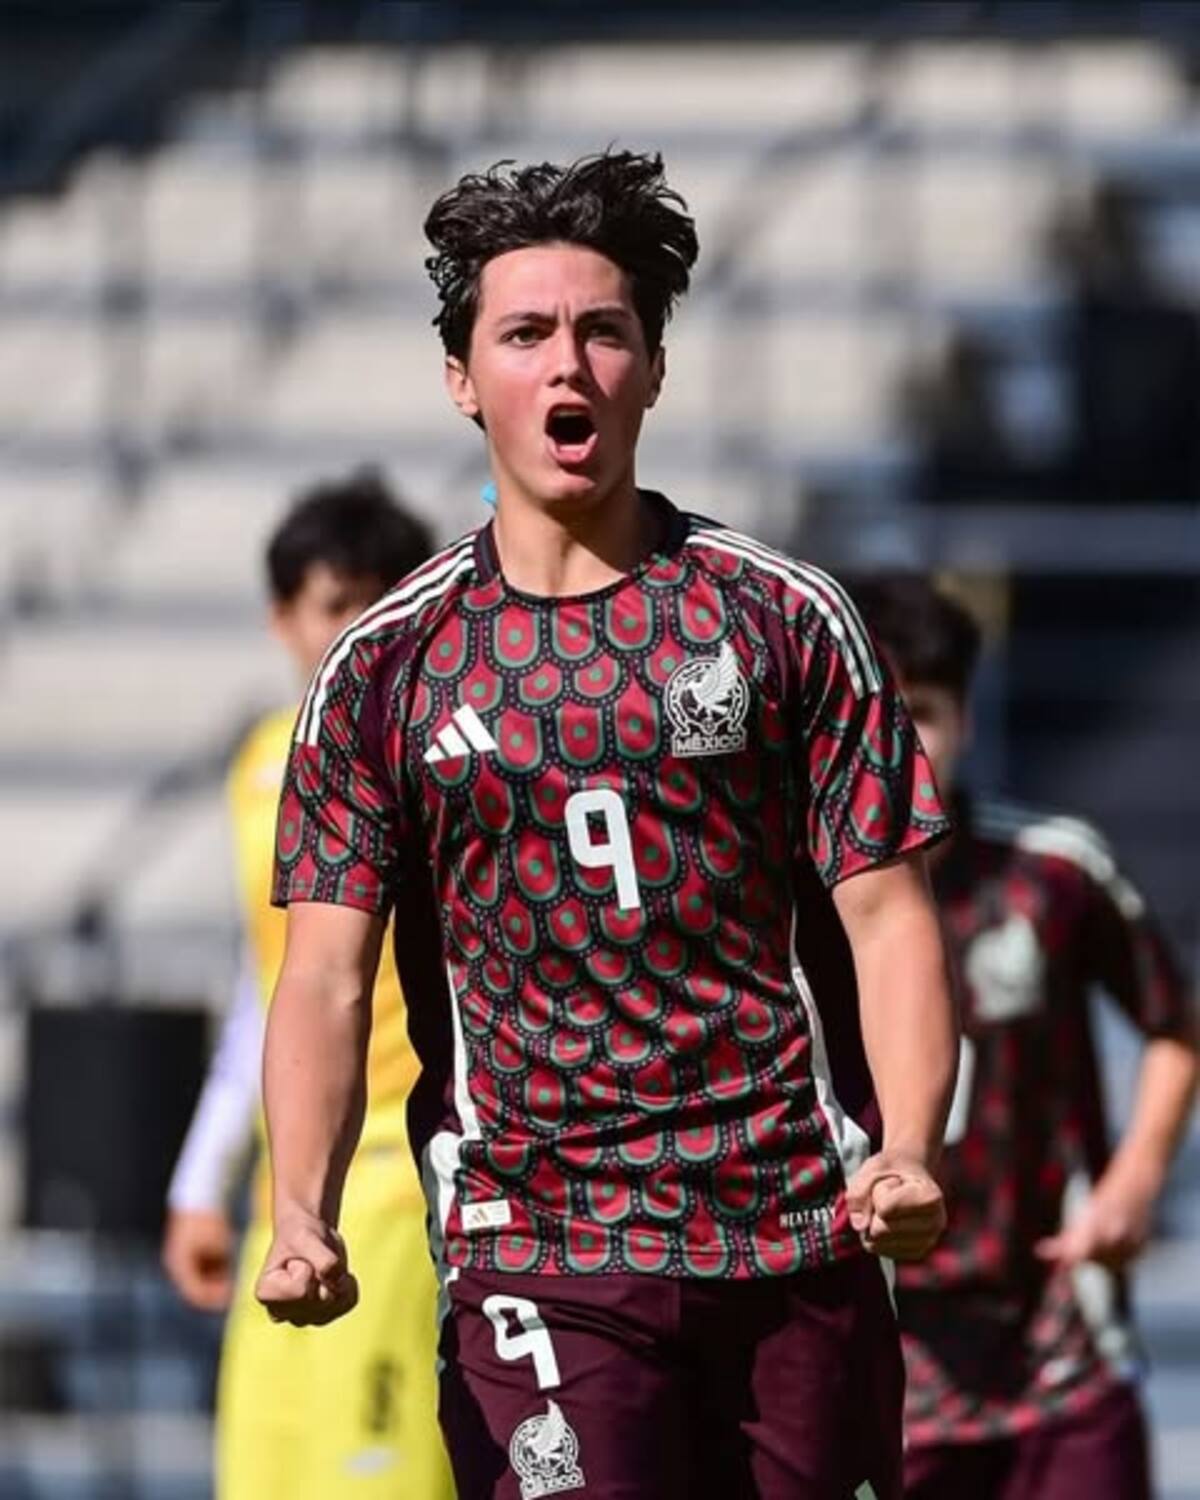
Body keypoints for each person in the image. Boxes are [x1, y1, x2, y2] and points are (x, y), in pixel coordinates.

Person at [257, 150, 959, 1500]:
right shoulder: (387, 668)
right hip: (539, 1246)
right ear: (464, 379)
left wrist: (913, 1147)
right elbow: (328, 975)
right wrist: (305, 1209)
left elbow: (888, 913)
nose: (566, 364)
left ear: (653, 367)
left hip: (793, 1234)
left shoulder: (783, 621)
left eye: (603, 331)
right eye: (524, 334)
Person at [850, 572, 1199, 1500]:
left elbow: (1178, 1026)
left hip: (1058, 1345)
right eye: (881, 713)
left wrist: (1131, 1185)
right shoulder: (794, 898)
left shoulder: (1052, 872)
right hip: (887, 1350)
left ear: (966, 718)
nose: (902, 745)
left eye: (923, 712)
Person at [162, 470, 453, 1500]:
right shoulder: (259, 769)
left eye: (383, 599)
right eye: (337, 605)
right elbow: (271, 985)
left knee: (385, 1477)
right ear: (282, 620)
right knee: (266, 1471)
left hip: (400, 1169)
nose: (360, 630)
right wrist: (203, 1176)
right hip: (287, 1193)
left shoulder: (441, 761)